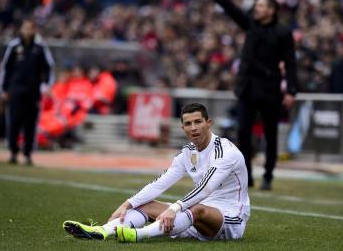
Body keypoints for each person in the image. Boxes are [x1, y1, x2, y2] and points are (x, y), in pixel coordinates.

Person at [63, 103, 250, 242]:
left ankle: (137, 235)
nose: (194, 128)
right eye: (188, 123)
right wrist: (127, 204)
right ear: (183, 128)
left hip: (230, 220)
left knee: (195, 208)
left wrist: (174, 208)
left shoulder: (225, 151)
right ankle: (102, 231)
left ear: (209, 123)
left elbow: (206, 188)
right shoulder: (187, 153)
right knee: (145, 204)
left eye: (198, 122)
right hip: (193, 220)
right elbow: (160, 182)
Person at [207, 0, 297, 189]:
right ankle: (247, 174)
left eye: (261, 5)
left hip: (269, 88)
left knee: (270, 135)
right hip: (247, 87)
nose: (256, 8)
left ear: (272, 10)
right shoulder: (251, 25)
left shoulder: (283, 33)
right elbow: (233, 11)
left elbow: (291, 63)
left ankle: (268, 175)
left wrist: (291, 90)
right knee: (243, 133)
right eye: (256, 5)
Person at [0, 18, 55, 165]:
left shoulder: (40, 48)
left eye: (30, 28)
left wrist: (47, 86)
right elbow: (6, 69)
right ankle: (13, 152)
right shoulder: (14, 46)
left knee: (30, 124)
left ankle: (28, 154)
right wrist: (4, 89)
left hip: (33, 91)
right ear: (21, 29)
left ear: (35, 30)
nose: (27, 31)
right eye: (25, 28)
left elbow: (48, 68)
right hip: (15, 90)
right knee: (14, 122)